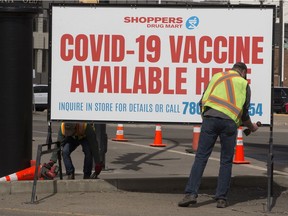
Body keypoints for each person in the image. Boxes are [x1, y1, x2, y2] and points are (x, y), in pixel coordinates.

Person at [178, 62, 259, 208]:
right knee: (226, 161)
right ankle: (221, 198)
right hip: (229, 124)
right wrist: (252, 127)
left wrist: (206, 118)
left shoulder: (217, 77)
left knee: (201, 157)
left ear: (232, 69)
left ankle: (191, 194)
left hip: (210, 119)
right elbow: (245, 113)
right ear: (244, 73)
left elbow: (202, 100)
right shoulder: (244, 84)